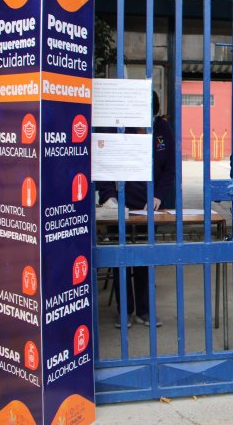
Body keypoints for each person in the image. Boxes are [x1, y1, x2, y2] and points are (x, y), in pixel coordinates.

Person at [98, 91, 175, 328]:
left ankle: (144, 310)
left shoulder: (162, 129)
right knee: (122, 259)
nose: (145, 125)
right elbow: (104, 166)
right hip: (120, 205)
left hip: (147, 206)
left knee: (143, 258)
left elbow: (169, 169)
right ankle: (125, 311)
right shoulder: (118, 130)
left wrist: (158, 196)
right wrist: (110, 198)